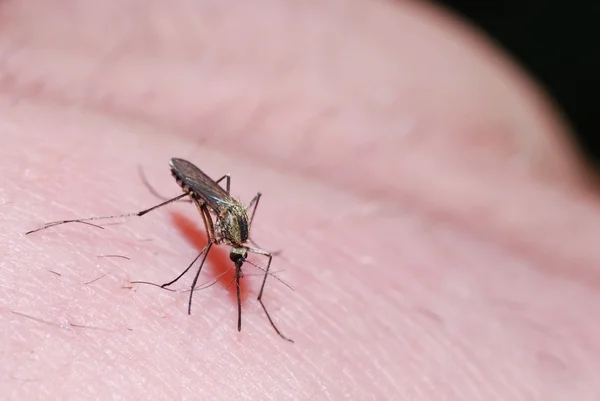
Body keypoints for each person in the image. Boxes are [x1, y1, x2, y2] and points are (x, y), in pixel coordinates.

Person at [3, 0, 598, 399]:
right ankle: (145, 211)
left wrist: (238, 254)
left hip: (216, 200)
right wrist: (200, 242)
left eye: (238, 261)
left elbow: (236, 234)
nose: (236, 263)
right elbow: (219, 220)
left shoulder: (238, 241)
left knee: (230, 209)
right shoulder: (224, 231)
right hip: (194, 182)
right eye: (238, 262)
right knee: (208, 212)